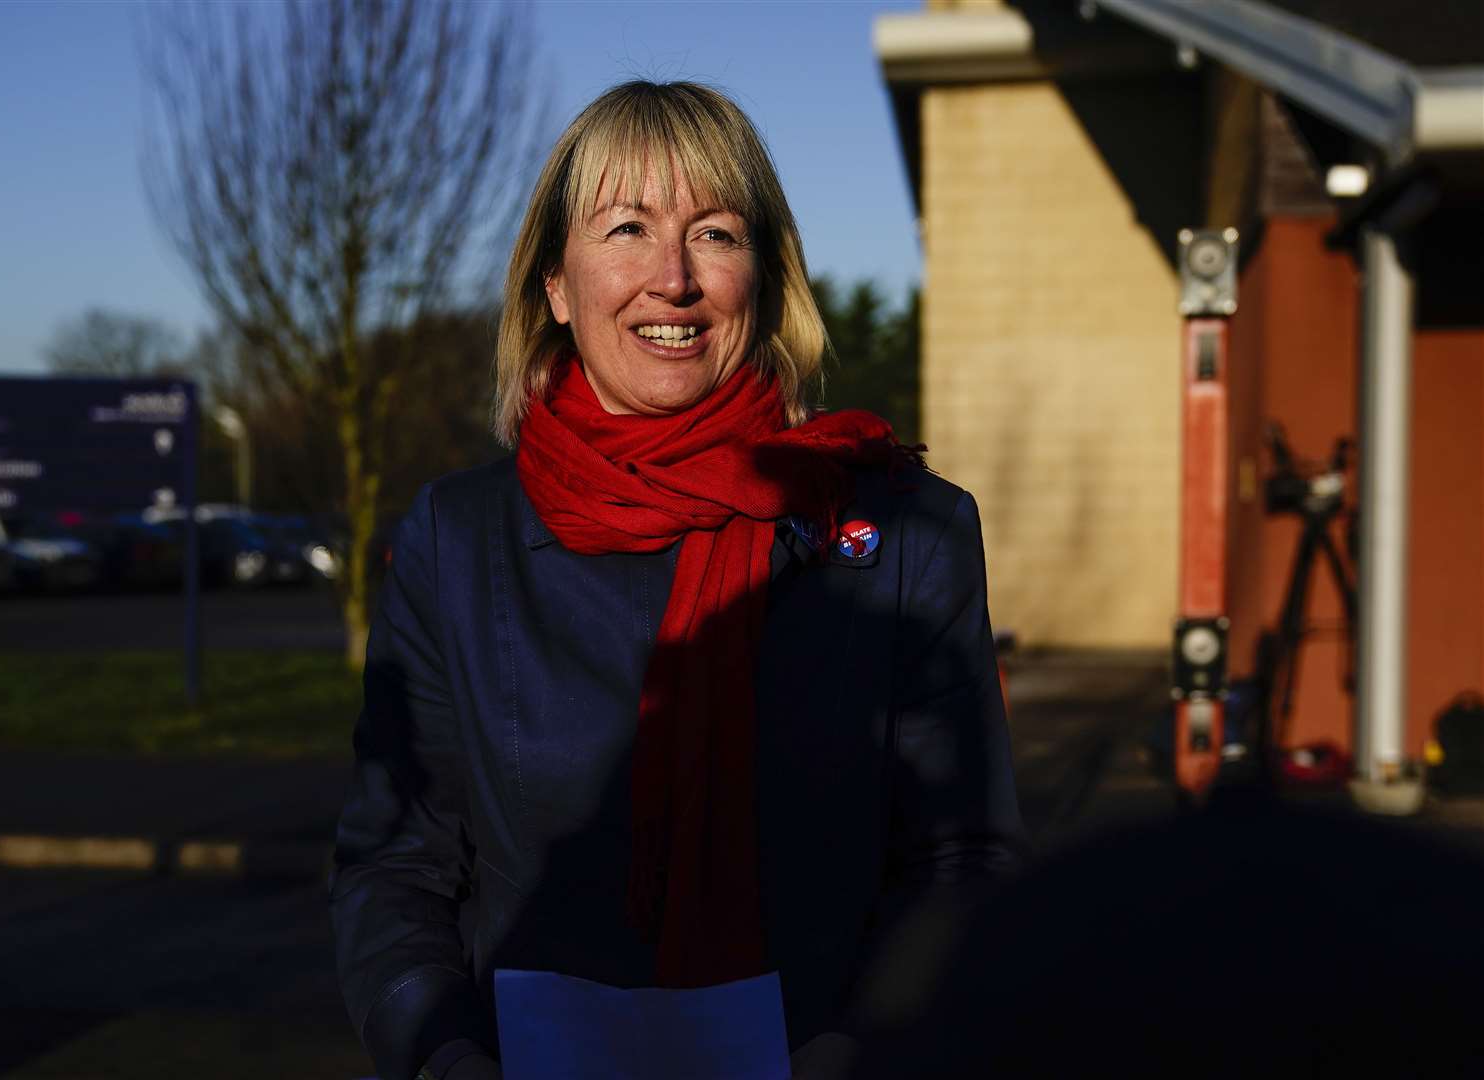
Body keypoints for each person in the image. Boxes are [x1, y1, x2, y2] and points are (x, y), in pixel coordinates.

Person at [330, 81, 1024, 1080]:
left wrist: (861, 1051)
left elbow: (964, 862)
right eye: (626, 228)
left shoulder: (908, 531)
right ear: (556, 287)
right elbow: (399, 863)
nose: (673, 279)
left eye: (715, 234)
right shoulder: (456, 540)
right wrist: (441, 1054)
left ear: (766, 279)